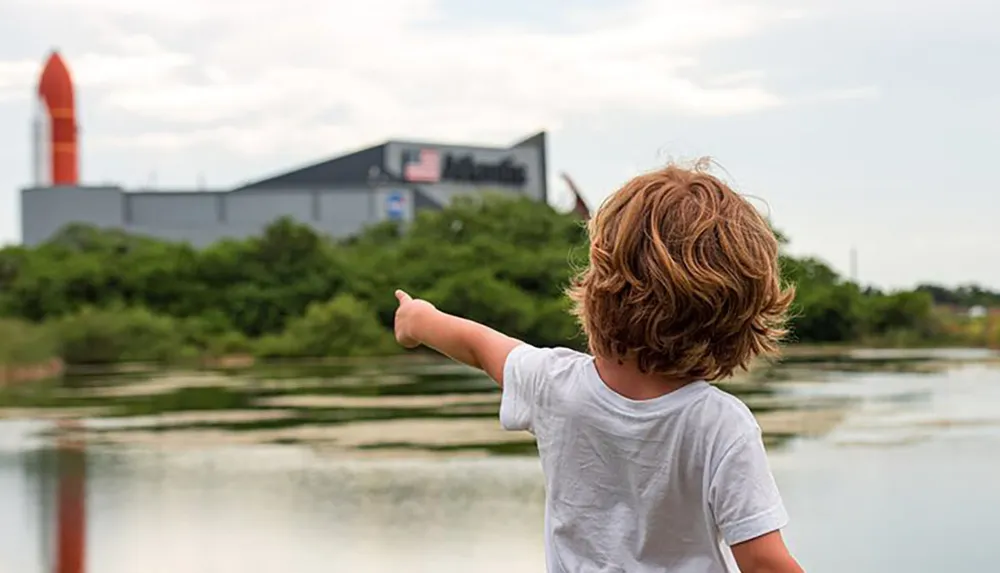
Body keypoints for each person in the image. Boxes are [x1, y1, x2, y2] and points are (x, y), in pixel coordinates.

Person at [392, 160, 804, 573]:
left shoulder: (553, 384)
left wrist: (416, 321)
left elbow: (479, 345)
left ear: (600, 286)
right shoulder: (720, 424)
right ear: (741, 317)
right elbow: (765, 563)